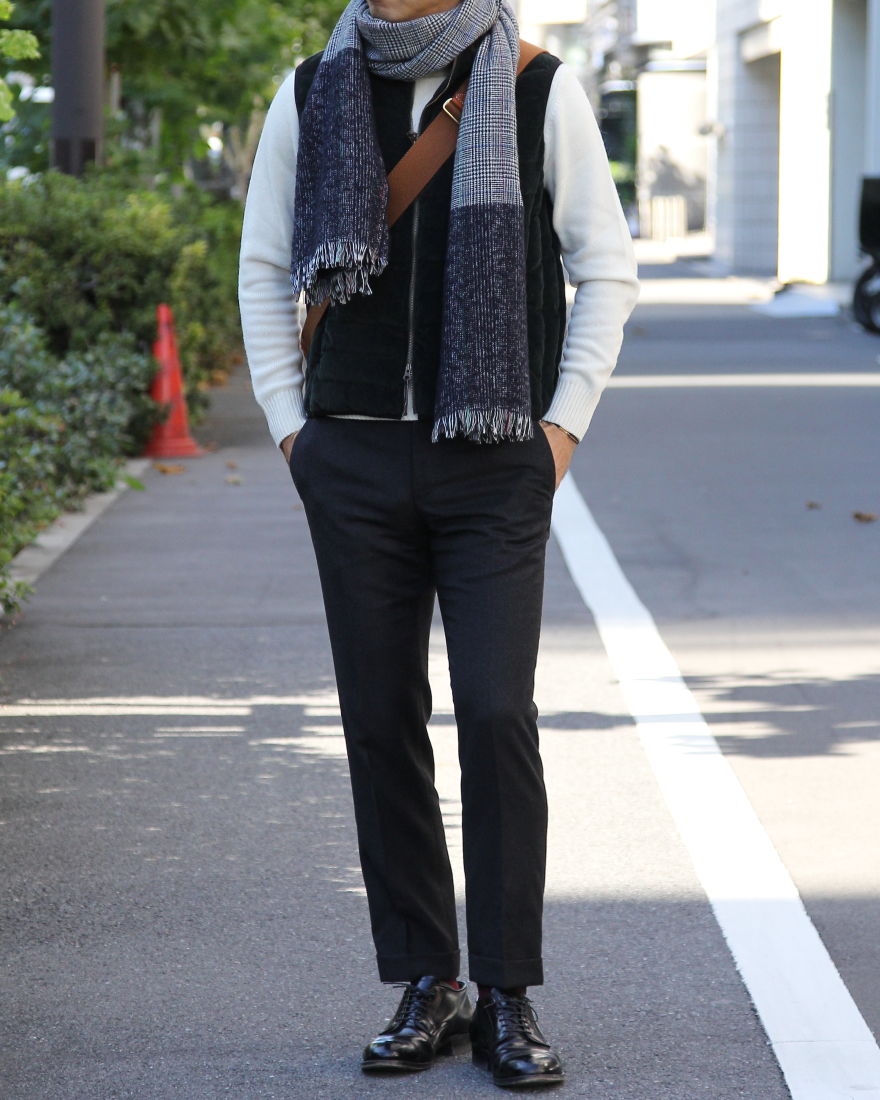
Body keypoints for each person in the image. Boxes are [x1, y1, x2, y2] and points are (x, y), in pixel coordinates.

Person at [238, 0, 638, 1086]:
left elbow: (605, 267)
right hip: (353, 455)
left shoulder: (538, 85)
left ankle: (506, 990)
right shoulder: (311, 92)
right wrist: (294, 432)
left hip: (494, 454)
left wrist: (560, 431)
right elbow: (265, 266)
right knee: (380, 717)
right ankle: (428, 978)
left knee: (498, 713)